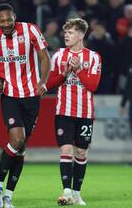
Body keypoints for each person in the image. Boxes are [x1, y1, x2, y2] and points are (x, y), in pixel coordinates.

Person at [0, 3, 51, 208]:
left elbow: (44, 57)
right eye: (2, 21)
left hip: (31, 96)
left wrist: (43, 81)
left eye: (9, 20)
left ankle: (8, 196)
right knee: (17, 139)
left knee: (21, 148)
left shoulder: (30, 29)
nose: (6, 24)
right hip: (10, 95)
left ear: (15, 17)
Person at [46, 18, 102, 205]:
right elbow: (50, 84)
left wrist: (78, 71)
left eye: (70, 32)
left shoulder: (94, 57)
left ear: (80, 35)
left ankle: (77, 193)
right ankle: (67, 191)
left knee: (81, 153)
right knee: (66, 149)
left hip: (85, 113)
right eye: (65, 32)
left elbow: (93, 86)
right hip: (64, 111)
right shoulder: (58, 55)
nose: (66, 35)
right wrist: (65, 73)